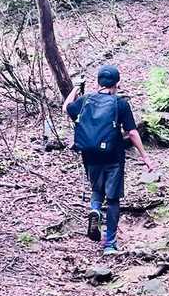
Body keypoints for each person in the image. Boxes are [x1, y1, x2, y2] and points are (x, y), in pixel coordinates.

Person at [64, 64, 155, 254]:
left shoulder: (85, 100)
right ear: (116, 84)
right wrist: (145, 157)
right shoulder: (120, 104)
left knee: (97, 190)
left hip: (90, 155)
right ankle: (110, 244)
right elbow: (132, 133)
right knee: (113, 199)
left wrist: (76, 88)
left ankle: (95, 210)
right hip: (114, 157)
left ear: (98, 83)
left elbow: (66, 107)